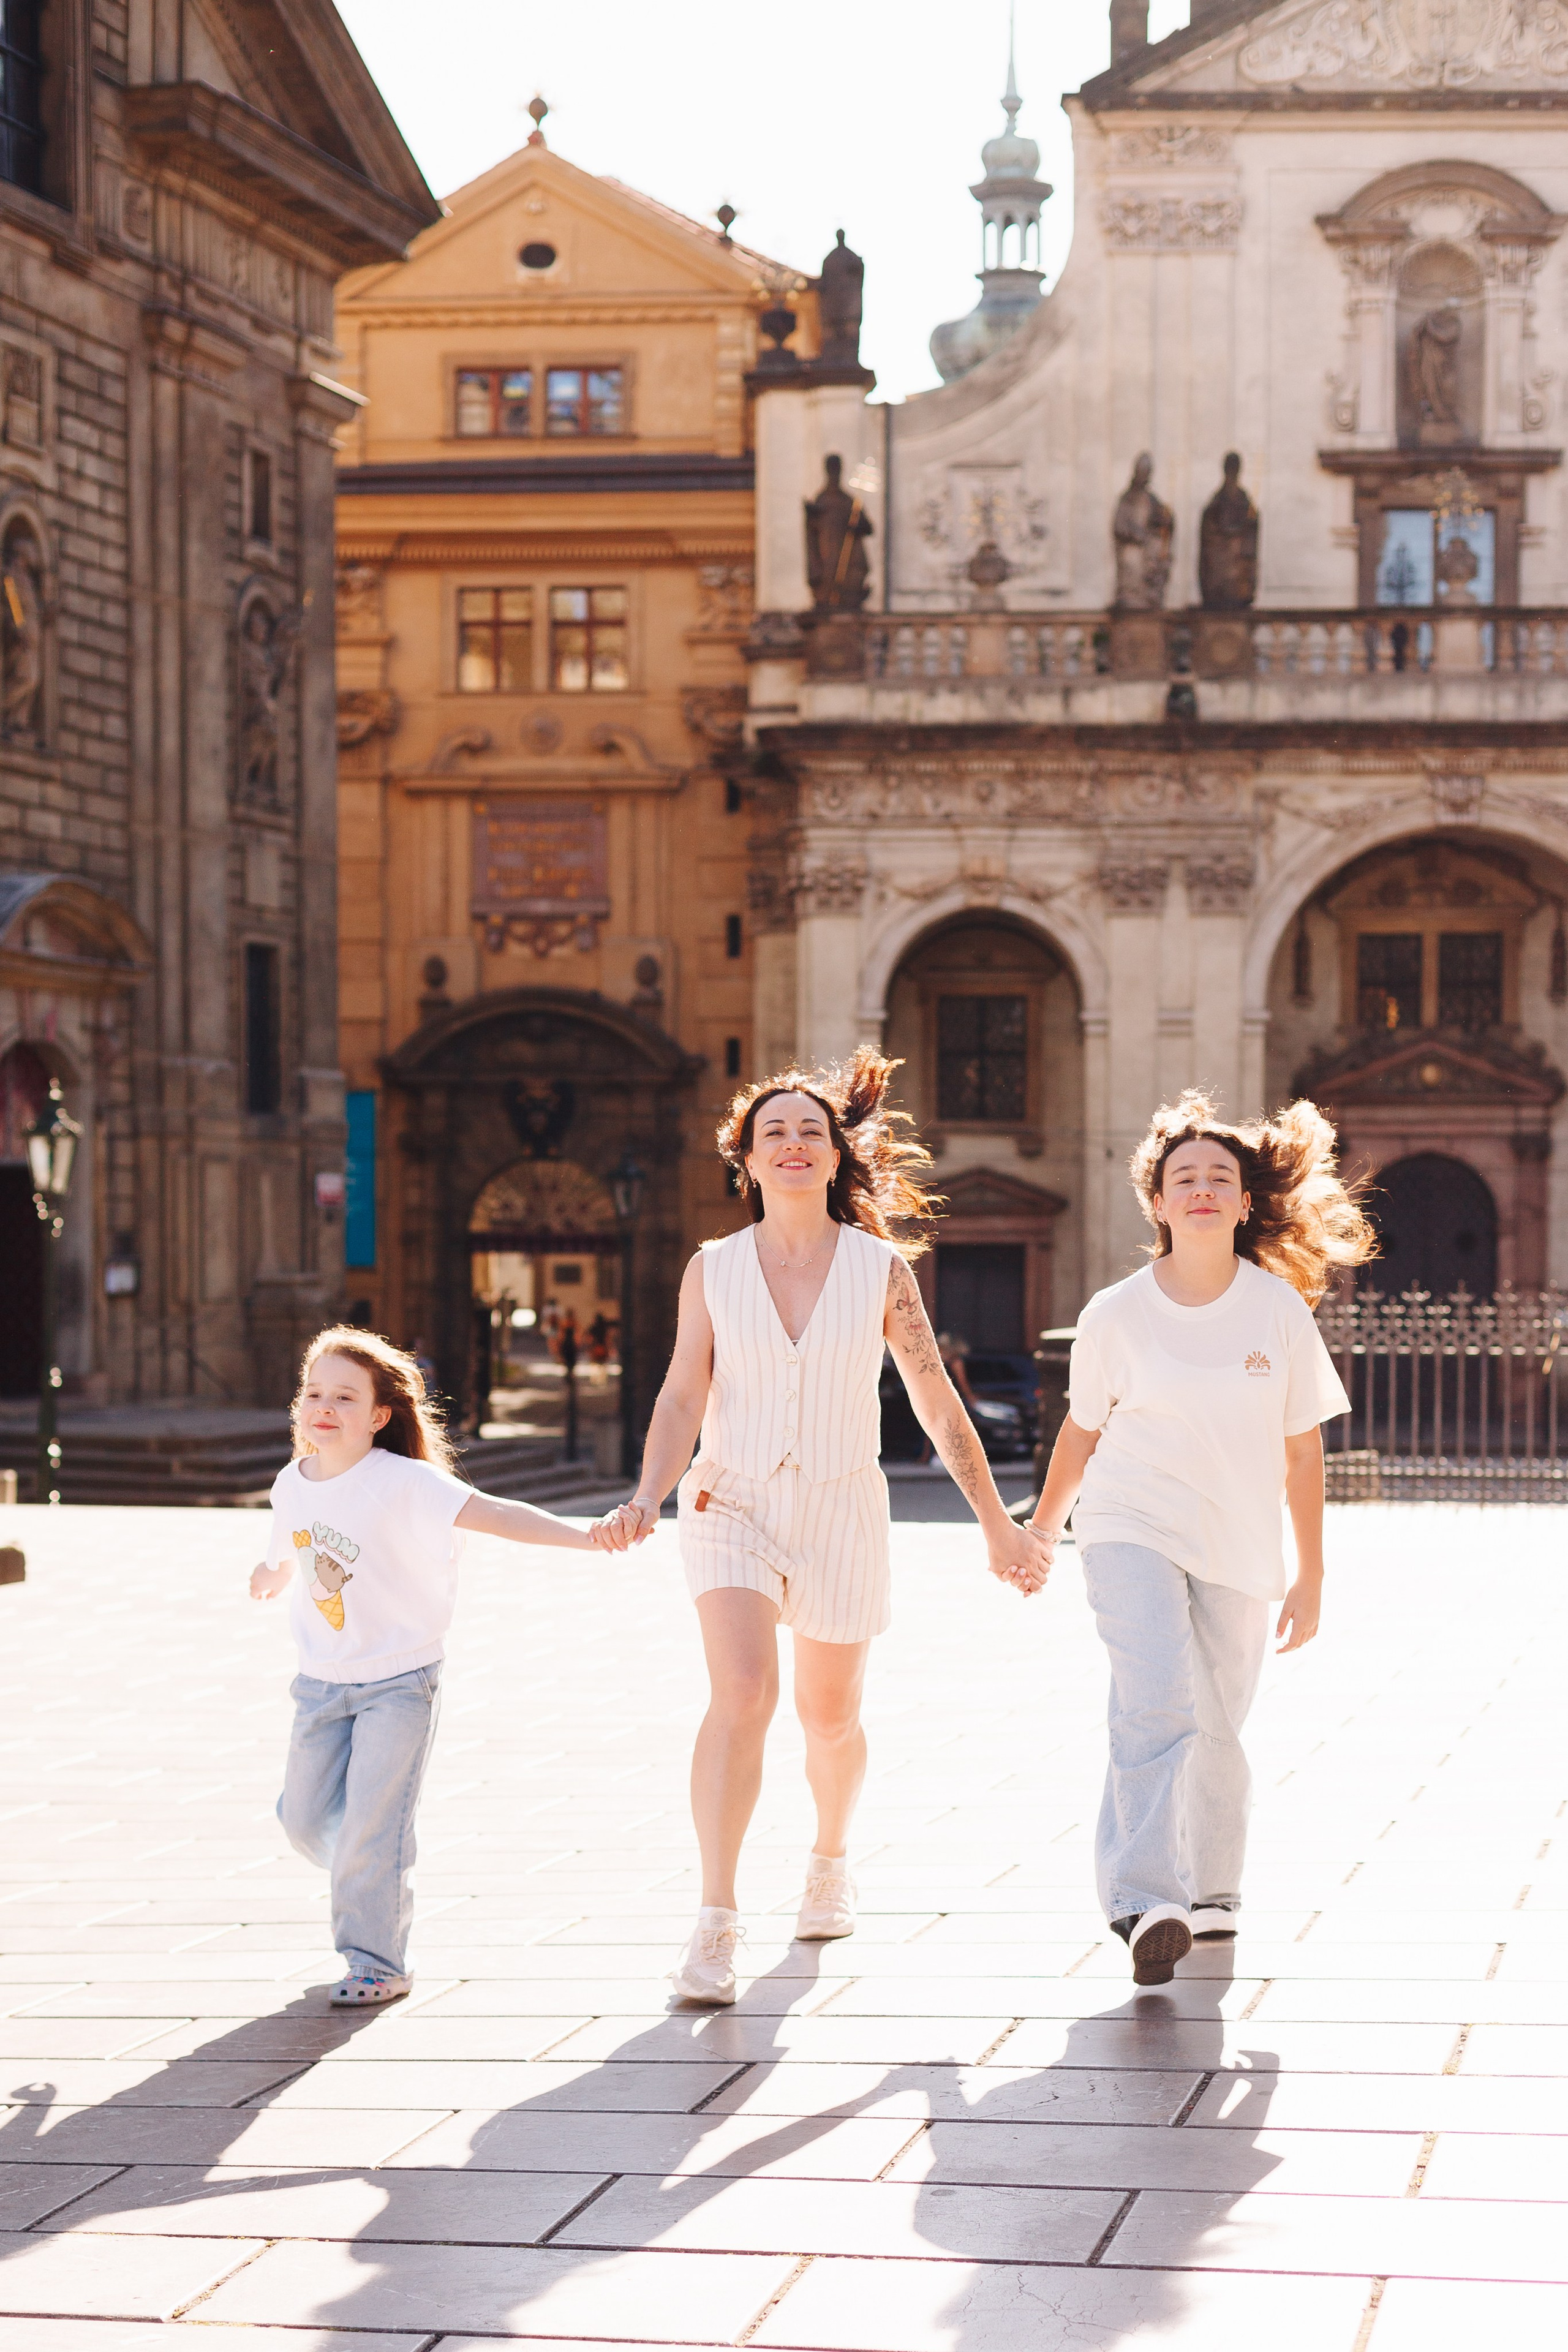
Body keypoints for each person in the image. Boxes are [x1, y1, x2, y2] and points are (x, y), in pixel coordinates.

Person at [595, 1049, 1052, 2004]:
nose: (795, 1144)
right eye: (775, 1133)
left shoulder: (881, 1270)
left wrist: (996, 1526)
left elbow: (934, 1399)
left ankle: (829, 1858)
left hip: (845, 1508)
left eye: (812, 1130)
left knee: (830, 1717)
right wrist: (649, 1492)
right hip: (732, 1503)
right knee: (745, 1693)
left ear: (839, 1154)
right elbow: (683, 1395)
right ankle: (716, 1921)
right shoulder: (712, 1269)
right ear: (747, 1160)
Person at [1030, 1091, 1374, 1987]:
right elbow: (1080, 1433)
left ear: (1245, 1201)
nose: (1203, 1189)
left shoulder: (1278, 1312)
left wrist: (1314, 1577)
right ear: (1158, 1201)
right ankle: (1147, 1900)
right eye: (1184, 1177)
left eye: (1221, 1177)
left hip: (1239, 1539)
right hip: (1128, 1525)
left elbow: (1304, 1455)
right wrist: (1041, 1527)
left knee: (1218, 1719)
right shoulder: (1114, 1314)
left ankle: (1213, 1890)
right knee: (1154, 1703)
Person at [249, 1327, 600, 2007]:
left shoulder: (405, 1481)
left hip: (399, 1684)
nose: (324, 1406)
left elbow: (498, 1516)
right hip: (320, 1684)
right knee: (302, 1822)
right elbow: (288, 1544)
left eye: (345, 1397)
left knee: (372, 1828)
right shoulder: (293, 1480)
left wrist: (589, 1536)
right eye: (313, 1392)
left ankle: (376, 1959)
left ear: (380, 1416)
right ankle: (369, 1863)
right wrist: (269, 1575)